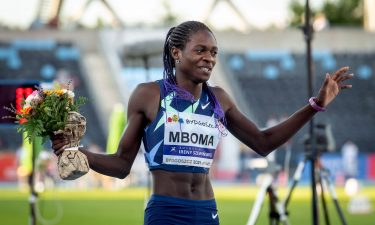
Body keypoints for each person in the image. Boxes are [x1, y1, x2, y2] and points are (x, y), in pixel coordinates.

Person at [51, 21, 353, 224]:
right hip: (165, 213)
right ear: (176, 52)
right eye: (201, 50)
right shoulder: (148, 95)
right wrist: (77, 152)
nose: (209, 58)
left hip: (207, 212)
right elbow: (120, 165)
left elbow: (263, 143)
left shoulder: (219, 99)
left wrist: (315, 105)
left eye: (214, 52)